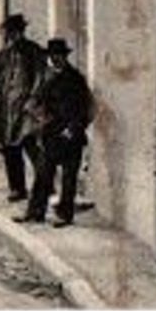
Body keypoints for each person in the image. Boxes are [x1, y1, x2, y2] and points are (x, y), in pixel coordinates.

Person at [15, 38, 96, 227]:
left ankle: (65, 215)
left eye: (60, 55)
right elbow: (32, 104)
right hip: (51, 134)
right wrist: (42, 119)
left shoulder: (76, 79)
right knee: (43, 174)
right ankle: (35, 212)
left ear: (65, 57)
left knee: (69, 178)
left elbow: (89, 109)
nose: (56, 59)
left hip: (72, 136)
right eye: (53, 56)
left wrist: (74, 128)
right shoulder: (47, 78)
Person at [0, 12, 45, 204]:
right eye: (8, 34)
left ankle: (45, 185)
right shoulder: (3, 54)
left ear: (21, 32)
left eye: (13, 33)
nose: (11, 37)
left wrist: (33, 99)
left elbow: (40, 78)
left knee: (32, 147)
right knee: (10, 149)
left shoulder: (34, 52)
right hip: (6, 109)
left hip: (27, 109)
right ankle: (17, 188)